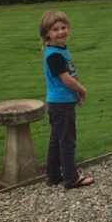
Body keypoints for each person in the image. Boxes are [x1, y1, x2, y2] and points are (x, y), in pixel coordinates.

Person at [39, 10, 94, 189]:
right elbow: (66, 79)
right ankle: (71, 177)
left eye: (63, 27)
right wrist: (82, 89)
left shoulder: (61, 50)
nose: (61, 32)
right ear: (47, 33)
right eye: (55, 29)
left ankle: (54, 175)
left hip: (62, 102)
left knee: (57, 138)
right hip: (60, 103)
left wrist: (77, 92)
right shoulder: (54, 54)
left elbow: (72, 73)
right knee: (67, 140)